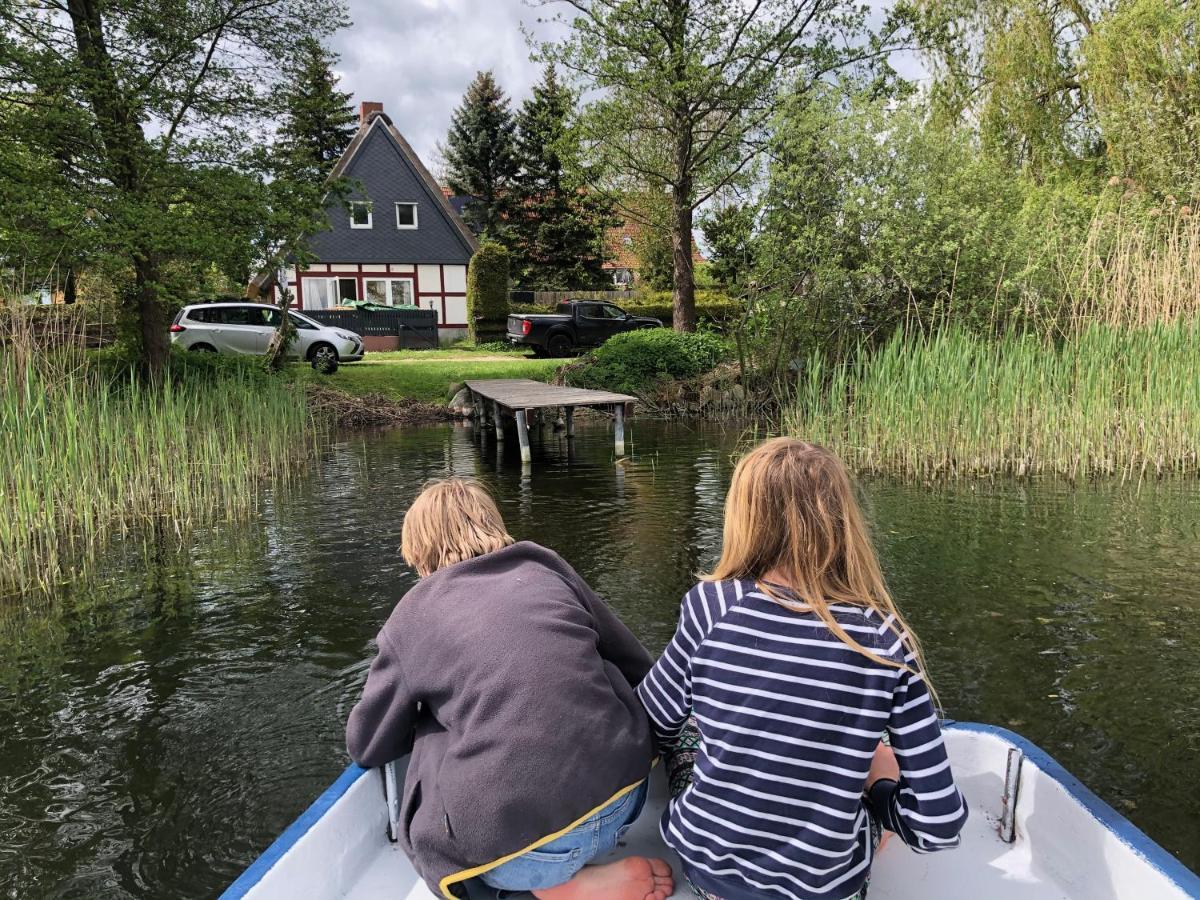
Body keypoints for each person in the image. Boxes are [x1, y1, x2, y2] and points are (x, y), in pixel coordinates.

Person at [637, 438, 968, 900]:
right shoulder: (886, 640)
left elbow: (653, 720)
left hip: (712, 877)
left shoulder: (711, 606)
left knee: (691, 724)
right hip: (828, 890)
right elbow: (938, 825)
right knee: (876, 740)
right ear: (843, 522)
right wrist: (877, 791)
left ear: (744, 518)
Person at [346, 478, 674, 900]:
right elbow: (636, 666)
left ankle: (552, 891)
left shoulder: (411, 615)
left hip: (519, 856)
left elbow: (367, 743)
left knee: (431, 727)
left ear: (418, 550)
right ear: (492, 523)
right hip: (626, 802)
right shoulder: (544, 567)